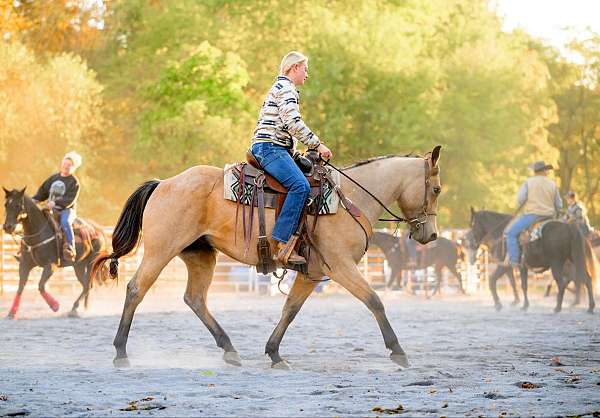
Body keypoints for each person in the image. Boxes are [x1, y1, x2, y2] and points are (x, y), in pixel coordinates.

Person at [251, 51, 332, 265]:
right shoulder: (286, 88)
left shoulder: (279, 88)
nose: (307, 74)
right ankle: (283, 243)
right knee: (300, 186)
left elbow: (280, 126)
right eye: (305, 69)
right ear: (294, 67)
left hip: (273, 147)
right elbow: (292, 123)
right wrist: (317, 144)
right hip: (270, 148)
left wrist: (295, 153)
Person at [504, 160, 562, 267]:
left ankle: (514, 260)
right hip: (550, 216)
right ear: (544, 171)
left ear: (535, 171)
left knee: (511, 234)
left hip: (533, 216)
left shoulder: (528, 182)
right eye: (546, 170)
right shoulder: (552, 184)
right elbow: (559, 205)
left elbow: (520, 200)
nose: (547, 172)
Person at [32, 151, 82, 262]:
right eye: (65, 164)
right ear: (61, 164)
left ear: (73, 167)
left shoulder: (74, 182)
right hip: (51, 208)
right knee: (35, 221)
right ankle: (28, 247)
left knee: (65, 222)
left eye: (69, 165)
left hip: (67, 209)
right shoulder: (53, 178)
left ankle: (70, 246)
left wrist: (56, 203)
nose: (66, 166)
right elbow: (42, 192)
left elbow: (70, 199)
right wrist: (34, 200)